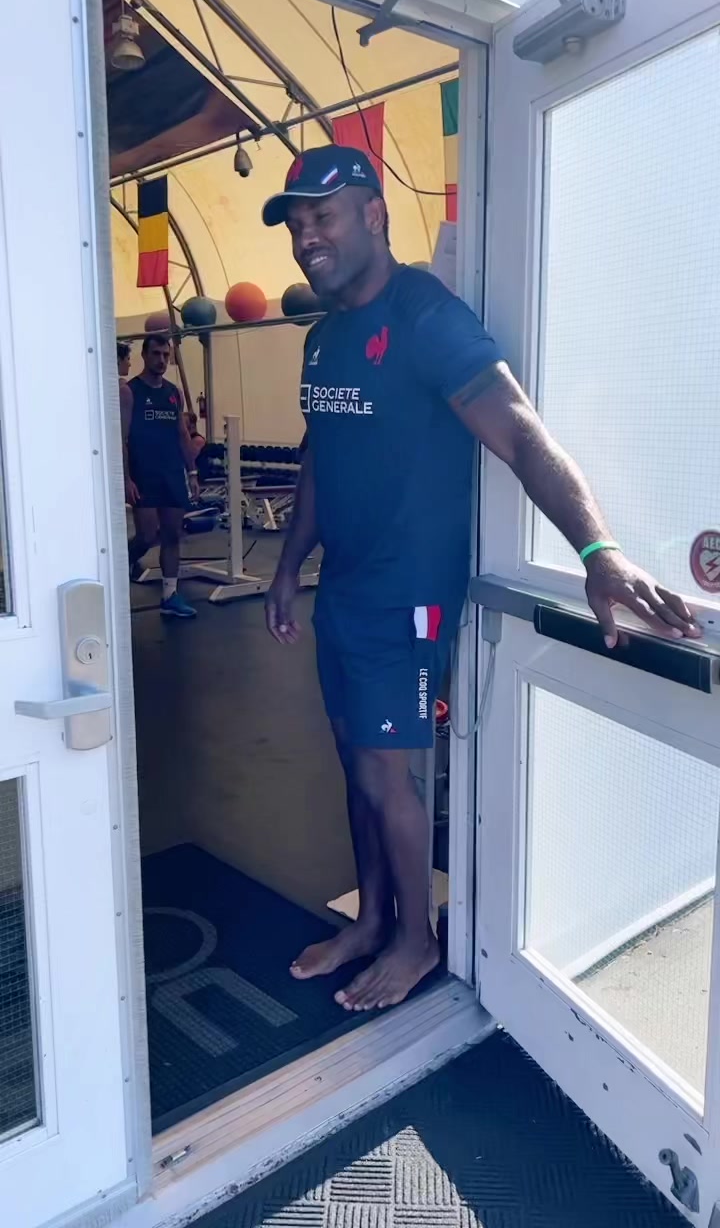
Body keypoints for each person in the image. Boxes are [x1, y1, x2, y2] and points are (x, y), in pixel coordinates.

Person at [262, 144, 701, 1015]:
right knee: (353, 759)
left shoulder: (428, 318)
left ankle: (416, 941)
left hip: (410, 596)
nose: (308, 237)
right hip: (344, 590)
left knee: (389, 771)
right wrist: (287, 565)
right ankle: (372, 919)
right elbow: (320, 459)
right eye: (297, 223)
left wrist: (597, 551)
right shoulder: (322, 339)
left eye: (325, 216)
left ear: (374, 215)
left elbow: (524, 433)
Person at [120, 333, 199, 619]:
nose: (162, 360)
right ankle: (119, 566)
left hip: (171, 473)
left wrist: (192, 471)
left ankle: (170, 596)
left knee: (172, 534)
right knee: (146, 536)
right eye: (156, 354)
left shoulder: (173, 392)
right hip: (144, 473)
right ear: (144, 355)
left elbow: (182, 435)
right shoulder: (130, 392)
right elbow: (122, 438)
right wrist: (125, 478)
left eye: (166, 355)